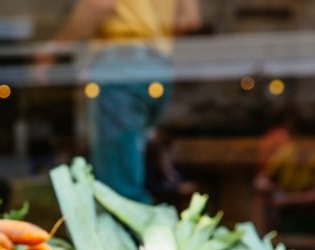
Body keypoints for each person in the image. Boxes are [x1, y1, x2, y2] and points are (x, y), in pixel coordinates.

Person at [39, 0, 201, 202]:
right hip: (159, 66)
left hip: (121, 65)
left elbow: (99, 4)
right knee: (136, 168)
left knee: (119, 188)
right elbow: (190, 19)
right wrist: (153, 39)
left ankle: (135, 229)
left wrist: (54, 49)